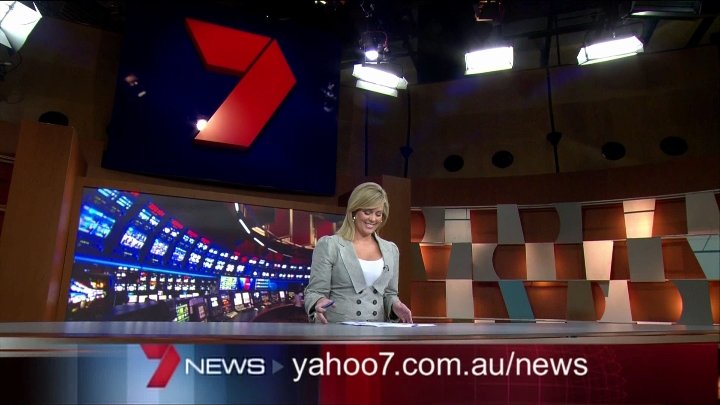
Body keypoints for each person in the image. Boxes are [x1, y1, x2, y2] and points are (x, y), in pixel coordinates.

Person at [304, 182, 413, 324]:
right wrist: (319, 301)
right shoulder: (330, 245)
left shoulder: (391, 250)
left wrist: (395, 305)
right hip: (338, 330)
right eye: (367, 212)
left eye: (378, 214)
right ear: (354, 212)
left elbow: (390, 294)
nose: (373, 219)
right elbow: (314, 292)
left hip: (378, 331)